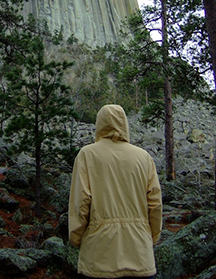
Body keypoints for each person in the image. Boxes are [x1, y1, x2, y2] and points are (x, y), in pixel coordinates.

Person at [68, 104, 162, 279]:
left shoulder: (87, 155)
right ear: (124, 124)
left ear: (100, 124)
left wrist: (76, 238)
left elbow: (80, 203)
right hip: (140, 255)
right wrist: (152, 237)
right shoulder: (144, 158)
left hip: (98, 257)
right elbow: (155, 205)